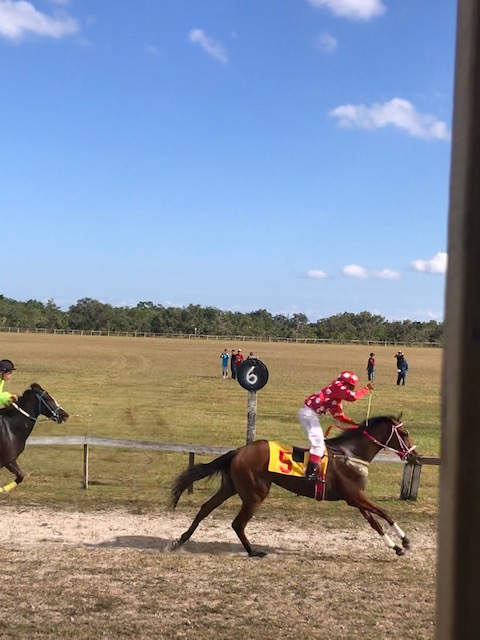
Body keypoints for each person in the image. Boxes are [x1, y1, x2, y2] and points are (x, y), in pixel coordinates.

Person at [297, 371, 373, 483]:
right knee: (319, 445)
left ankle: (313, 469)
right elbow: (352, 397)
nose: (351, 389)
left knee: (320, 445)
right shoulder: (337, 386)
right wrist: (365, 389)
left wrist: (356, 424)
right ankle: (309, 476)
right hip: (309, 414)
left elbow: (339, 416)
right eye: (351, 386)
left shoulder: (335, 398)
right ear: (346, 383)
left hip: (309, 414)